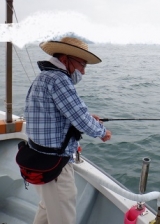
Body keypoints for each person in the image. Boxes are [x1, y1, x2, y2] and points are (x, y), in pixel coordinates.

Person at [24, 36, 112, 224]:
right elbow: (80, 118)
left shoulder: (44, 77)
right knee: (63, 217)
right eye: (82, 64)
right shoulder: (59, 80)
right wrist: (102, 132)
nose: (83, 72)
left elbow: (57, 113)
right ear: (65, 59)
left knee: (47, 207)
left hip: (38, 157)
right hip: (53, 163)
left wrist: (88, 118)